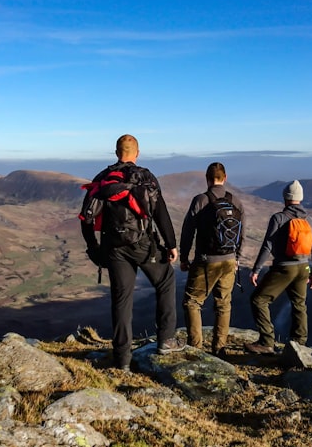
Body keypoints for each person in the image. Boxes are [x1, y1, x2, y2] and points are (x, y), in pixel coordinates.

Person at [79, 134, 184, 370]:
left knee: (121, 300)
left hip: (113, 247)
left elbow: (86, 217)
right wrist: (171, 244)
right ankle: (166, 339)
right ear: (136, 153)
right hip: (142, 244)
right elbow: (160, 212)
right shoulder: (145, 177)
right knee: (166, 279)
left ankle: (122, 361)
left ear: (117, 152)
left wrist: (93, 247)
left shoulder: (102, 178)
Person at [245, 180, 312, 354]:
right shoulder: (310, 220)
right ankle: (299, 344)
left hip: (284, 268)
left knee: (259, 299)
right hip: (304, 267)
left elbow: (268, 246)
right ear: (300, 198)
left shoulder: (279, 218)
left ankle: (266, 341)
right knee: (299, 304)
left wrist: (256, 270)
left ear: (285, 198)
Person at [178, 162, 245, 355]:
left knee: (192, 302)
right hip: (230, 260)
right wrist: (237, 258)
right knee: (223, 304)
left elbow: (188, 231)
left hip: (206, 261)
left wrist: (184, 257)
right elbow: (242, 234)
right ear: (225, 178)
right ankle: (220, 348)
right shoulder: (236, 202)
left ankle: (196, 348)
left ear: (207, 179)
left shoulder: (200, 200)